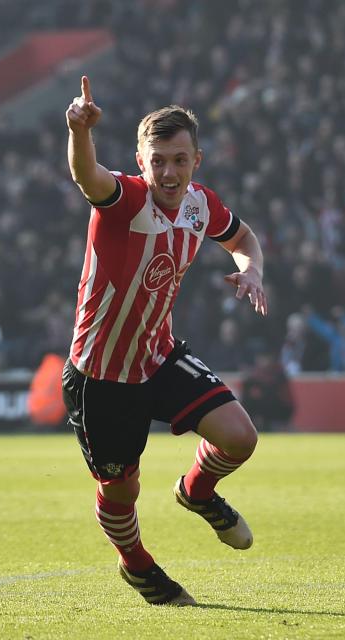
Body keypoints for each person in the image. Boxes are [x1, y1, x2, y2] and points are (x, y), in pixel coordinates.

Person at [62, 76, 268, 606]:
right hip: (102, 375)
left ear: (196, 159)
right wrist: (80, 131)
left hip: (158, 356)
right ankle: (138, 566)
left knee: (240, 438)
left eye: (179, 160)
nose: (169, 173)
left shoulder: (201, 205)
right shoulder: (123, 199)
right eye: (158, 161)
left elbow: (243, 238)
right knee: (121, 491)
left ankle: (197, 490)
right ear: (140, 160)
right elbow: (87, 177)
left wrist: (252, 272)